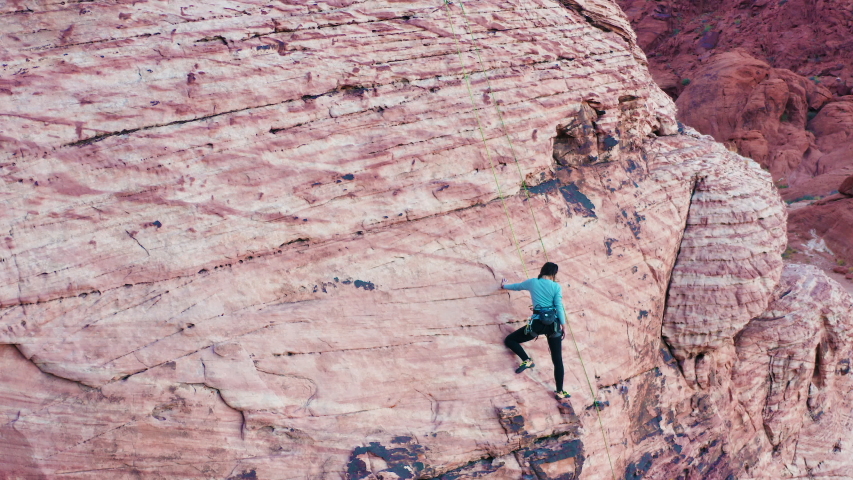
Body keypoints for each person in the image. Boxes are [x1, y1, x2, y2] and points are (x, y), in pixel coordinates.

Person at [501, 262, 570, 399]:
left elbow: (517, 287)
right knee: (557, 360)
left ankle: (527, 360)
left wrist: (504, 286)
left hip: (537, 325)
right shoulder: (556, 286)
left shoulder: (533, 282)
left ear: (542, 270)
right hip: (554, 325)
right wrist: (564, 326)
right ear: (553, 274)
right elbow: (559, 306)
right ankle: (560, 391)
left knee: (510, 340)